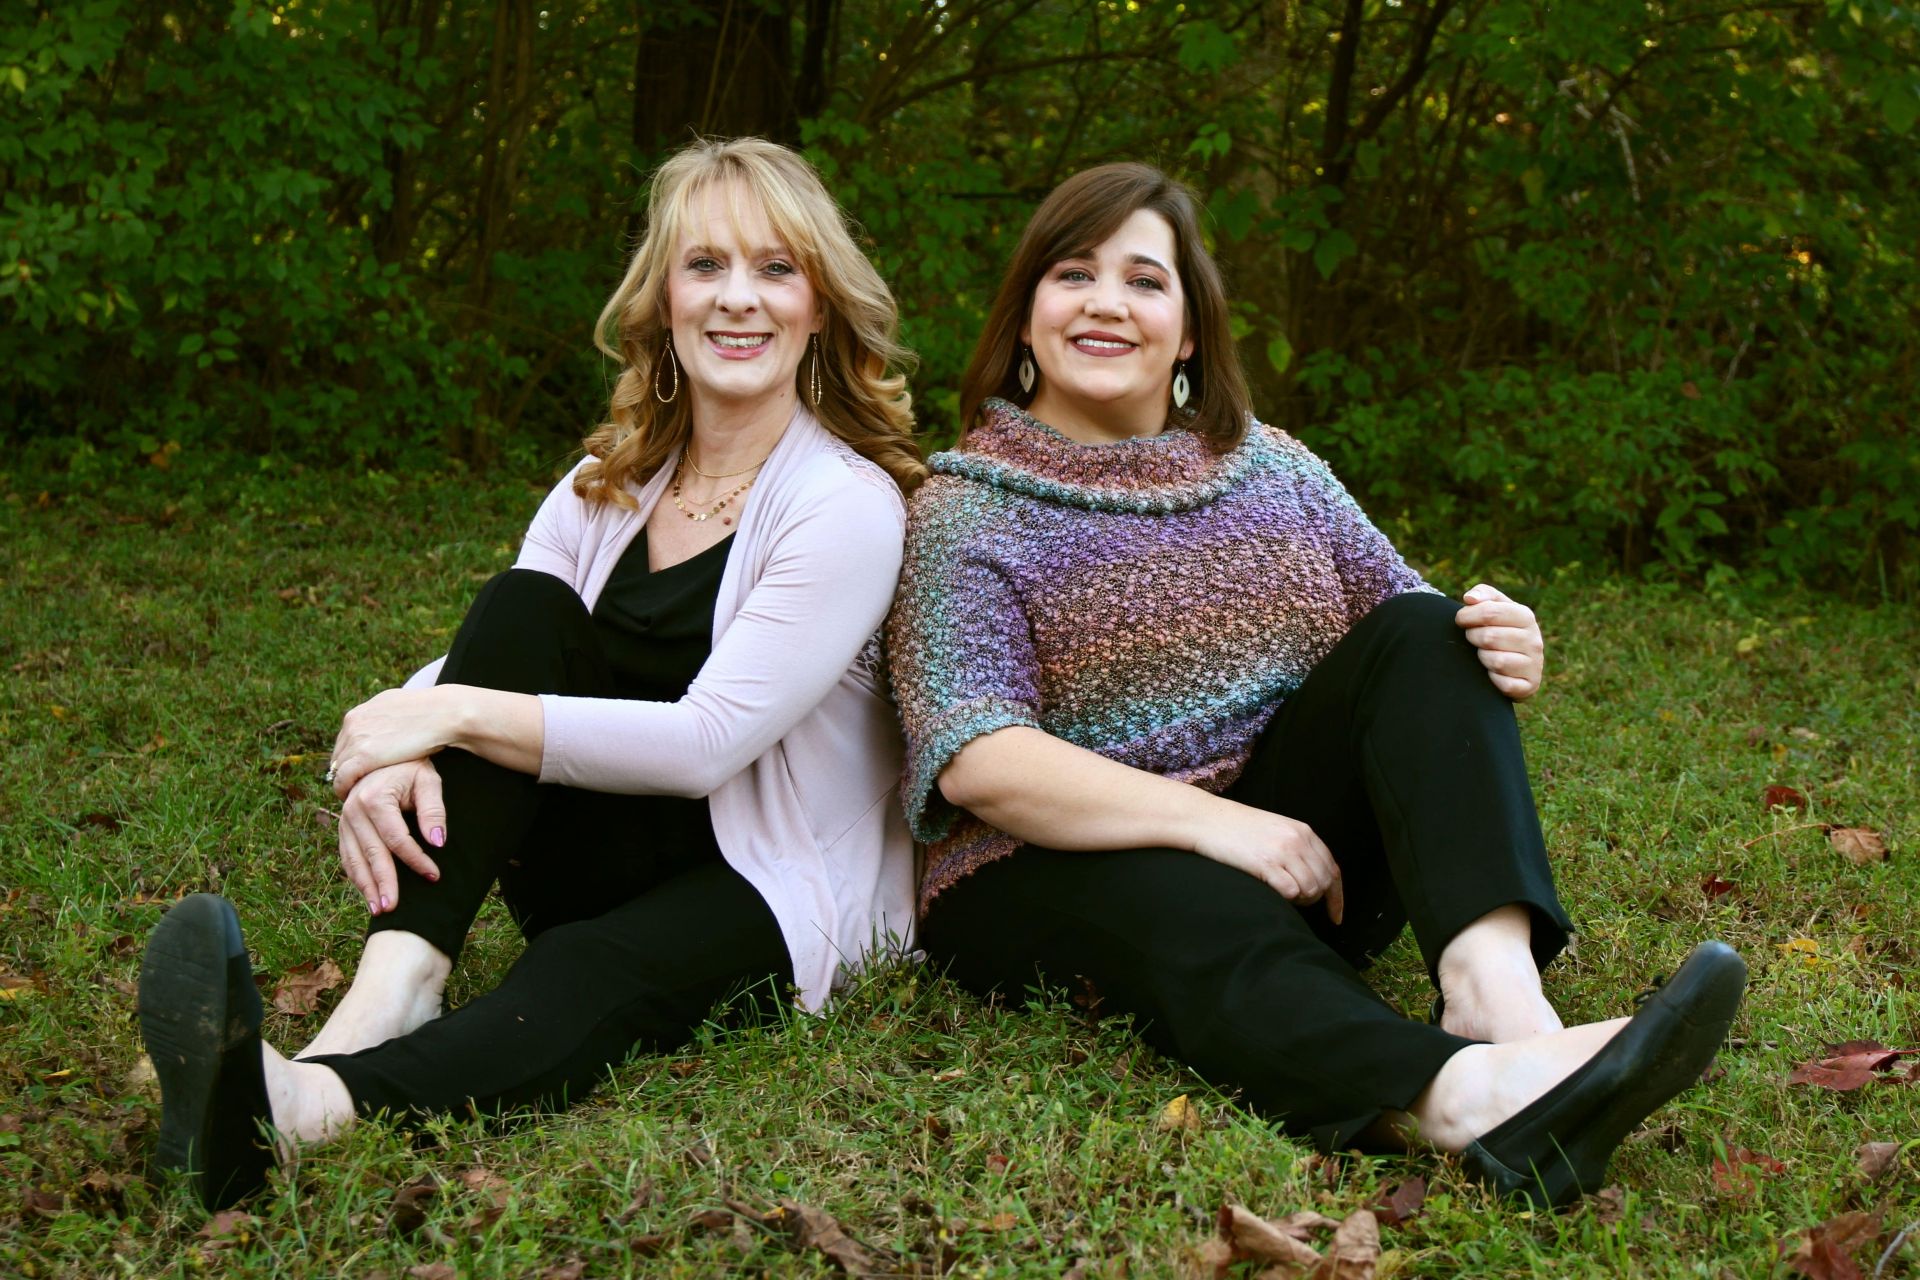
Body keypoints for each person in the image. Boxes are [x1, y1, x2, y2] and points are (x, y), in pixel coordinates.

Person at [886, 162, 1744, 1208]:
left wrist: (1504, 639)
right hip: (1054, 869)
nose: (1108, 302)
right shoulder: (964, 507)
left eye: (1145, 280)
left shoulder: (1274, 466)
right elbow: (975, 756)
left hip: (1296, 864)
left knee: (1431, 630)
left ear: (1191, 329)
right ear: (1026, 318)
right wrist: (1211, 825)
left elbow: (1412, 636)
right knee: (1182, 896)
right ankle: (1462, 1098)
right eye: (1074, 274)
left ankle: (1499, 1004)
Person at [137, 137, 925, 1211]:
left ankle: (298, 1109)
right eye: (705, 266)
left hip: (768, 884)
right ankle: (397, 982)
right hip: (605, 835)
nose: (739, 299)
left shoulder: (846, 504)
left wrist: (438, 712)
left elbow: (707, 744)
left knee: (586, 971)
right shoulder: (609, 481)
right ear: (661, 300)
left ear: (820, 306)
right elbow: (495, 648)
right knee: (524, 601)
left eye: (776, 269)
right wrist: (400, 746)